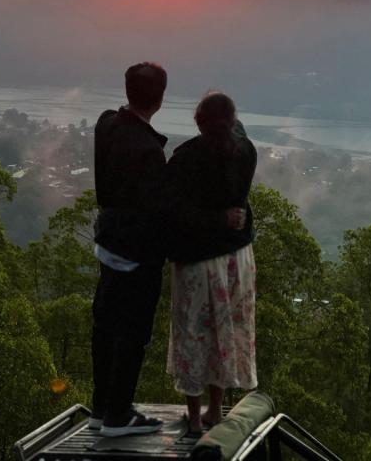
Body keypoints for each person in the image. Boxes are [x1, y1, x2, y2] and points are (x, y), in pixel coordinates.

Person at [165, 92, 258, 436]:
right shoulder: (246, 152)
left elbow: (172, 212)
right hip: (236, 259)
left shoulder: (185, 159)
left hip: (197, 261)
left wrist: (214, 219)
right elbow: (238, 133)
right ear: (233, 122)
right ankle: (215, 410)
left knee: (193, 332)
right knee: (225, 331)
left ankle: (193, 417)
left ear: (199, 123)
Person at [90, 62, 169, 437]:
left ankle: (101, 406)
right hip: (137, 252)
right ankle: (118, 415)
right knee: (132, 333)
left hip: (107, 242)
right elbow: (153, 211)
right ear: (160, 99)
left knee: (105, 325)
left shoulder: (107, 124)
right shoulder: (149, 150)